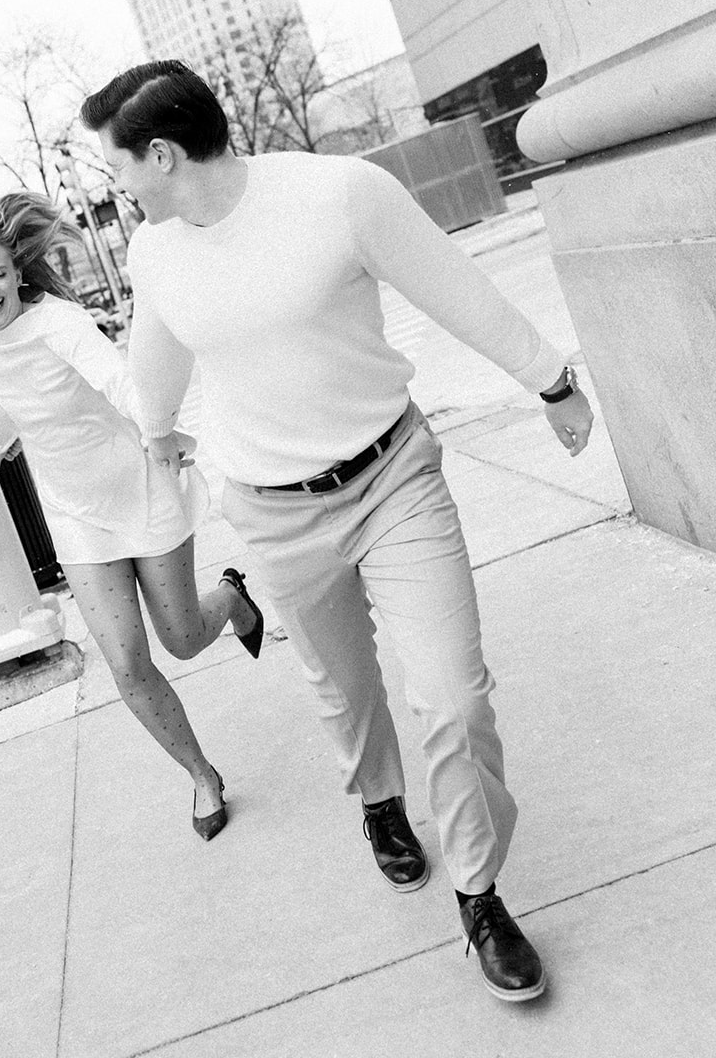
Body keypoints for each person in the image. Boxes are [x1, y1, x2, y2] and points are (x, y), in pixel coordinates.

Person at [80, 60, 594, 1002]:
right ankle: (379, 801)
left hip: (392, 478)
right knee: (346, 689)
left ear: (161, 154)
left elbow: (455, 288)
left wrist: (551, 378)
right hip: (272, 512)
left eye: (117, 167)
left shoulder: (338, 194)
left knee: (452, 693)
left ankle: (480, 895)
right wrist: (153, 439)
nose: (112, 187)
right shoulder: (156, 253)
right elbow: (153, 365)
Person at [0, 192, 264, 840]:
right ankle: (203, 775)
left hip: (139, 493)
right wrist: (5, 431)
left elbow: (117, 379)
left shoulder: (57, 321)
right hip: (76, 515)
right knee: (126, 662)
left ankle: (230, 599)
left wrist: (160, 433)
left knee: (181, 640)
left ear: (17, 271)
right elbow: (13, 393)